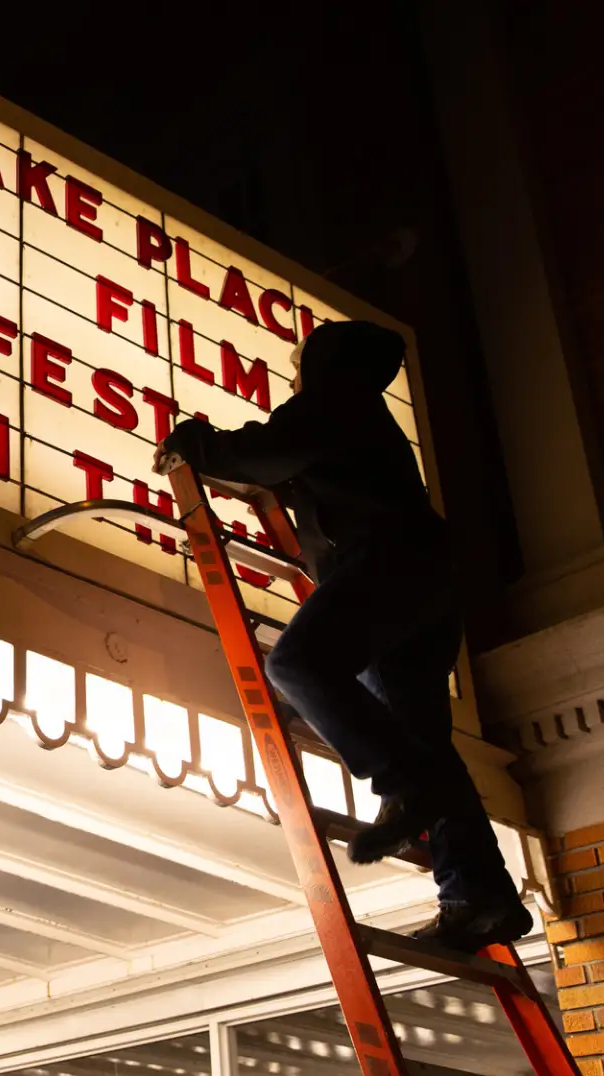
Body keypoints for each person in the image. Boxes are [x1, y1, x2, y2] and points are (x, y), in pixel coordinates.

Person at [152, 319, 532, 953]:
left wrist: (193, 440)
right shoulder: (360, 418)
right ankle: (480, 897)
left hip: (387, 565)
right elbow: (289, 463)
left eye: (298, 367)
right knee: (425, 742)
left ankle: (401, 787)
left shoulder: (336, 401)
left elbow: (264, 452)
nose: (291, 379)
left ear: (324, 363)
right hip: (427, 582)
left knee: (297, 665)